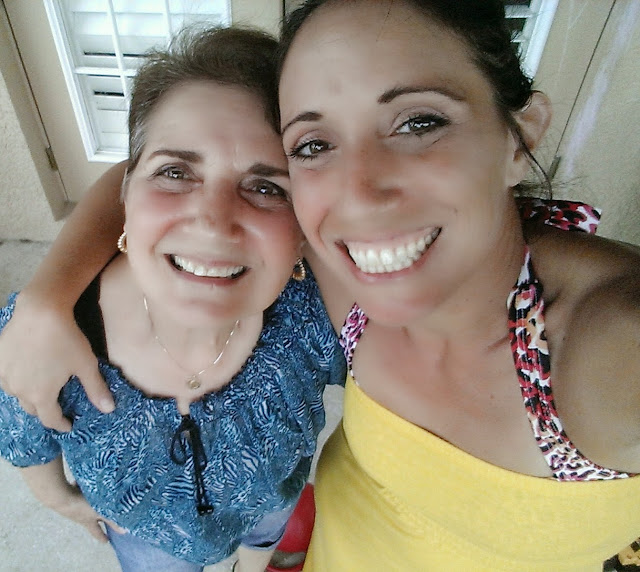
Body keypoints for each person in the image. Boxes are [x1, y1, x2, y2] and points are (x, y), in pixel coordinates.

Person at [1, 1, 639, 570]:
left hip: (269, 526)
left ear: (520, 135)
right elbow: (159, 160)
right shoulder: (345, 276)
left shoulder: (324, 302)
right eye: (313, 145)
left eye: (419, 122)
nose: (357, 196)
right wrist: (47, 298)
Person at [0, 25, 345, 572]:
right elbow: (22, 433)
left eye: (266, 187)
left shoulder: (316, 319)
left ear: (303, 229)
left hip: (267, 506)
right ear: (125, 194)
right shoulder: (45, 335)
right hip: (148, 540)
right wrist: (58, 499)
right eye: (175, 172)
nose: (213, 222)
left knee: (265, 538)